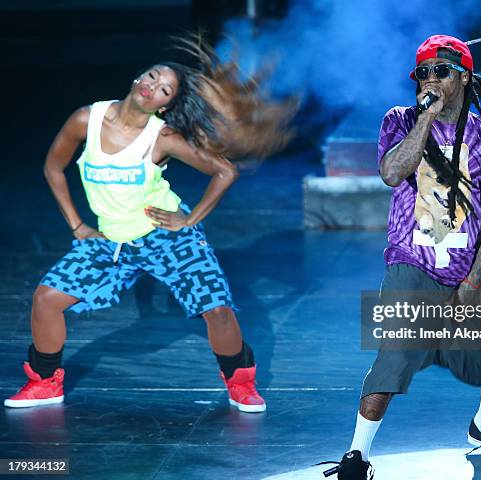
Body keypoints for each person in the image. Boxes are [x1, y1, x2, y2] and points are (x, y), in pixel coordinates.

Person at [4, 35, 294, 413]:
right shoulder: (85, 120)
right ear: (137, 77)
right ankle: (45, 382)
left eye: (164, 89)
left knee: (216, 308)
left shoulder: (163, 137)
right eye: (153, 77)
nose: (153, 86)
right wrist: (77, 225)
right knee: (46, 299)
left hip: (165, 237)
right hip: (111, 240)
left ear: (166, 104)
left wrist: (188, 219)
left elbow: (224, 171)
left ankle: (240, 383)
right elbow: (52, 168)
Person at [322, 35, 481, 479]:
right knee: (394, 359)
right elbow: (391, 173)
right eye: (422, 72)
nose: (430, 79)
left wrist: (476, 277)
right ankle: (357, 456)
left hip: (466, 267)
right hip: (412, 259)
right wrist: (426, 116)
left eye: (440, 71)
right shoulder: (400, 120)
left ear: (463, 75)